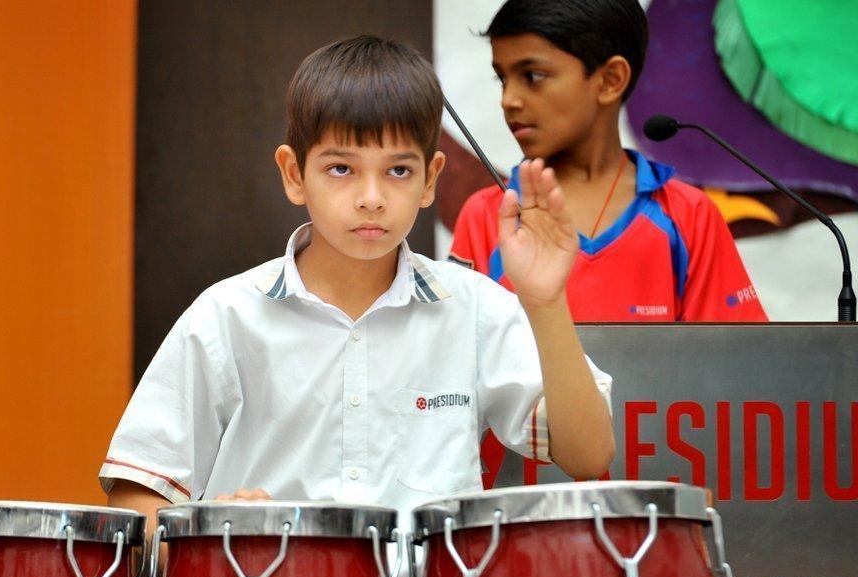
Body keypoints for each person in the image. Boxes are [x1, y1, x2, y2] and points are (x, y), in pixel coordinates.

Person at [101, 35, 614, 536]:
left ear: (432, 179)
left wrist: (544, 301)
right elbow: (134, 496)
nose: (372, 198)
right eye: (341, 168)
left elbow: (588, 454)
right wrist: (207, 527)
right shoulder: (227, 315)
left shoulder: (474, 307)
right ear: (294, 173)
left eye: (398, 170)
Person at [449, 0, 768, 323]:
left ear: (611, 79)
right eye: (502, 79)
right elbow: (457, 359)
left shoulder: (689, 217)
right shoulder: (485, 216)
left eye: (532, 76)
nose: (509, 100)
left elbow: (735, 362)